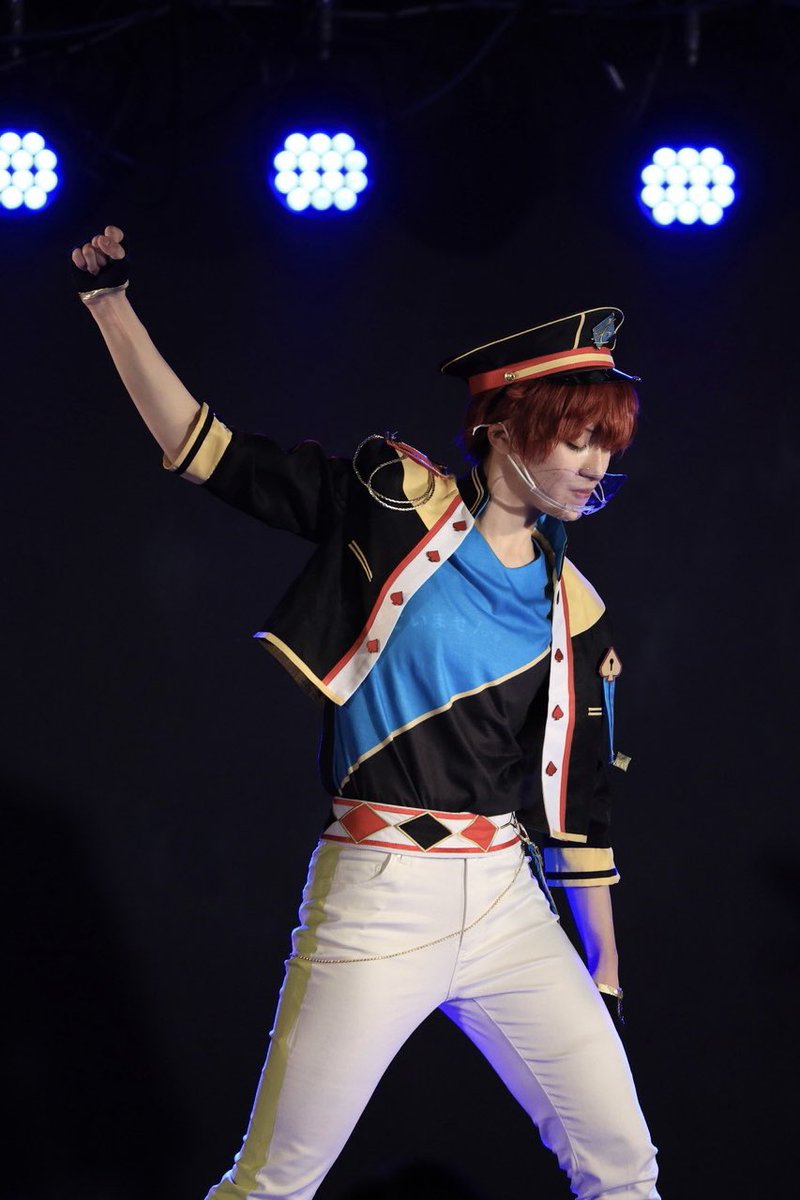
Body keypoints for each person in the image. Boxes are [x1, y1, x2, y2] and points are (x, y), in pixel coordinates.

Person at [71, 225, 661, 1200]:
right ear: (503, 424)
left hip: (508, 902)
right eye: (576, 436)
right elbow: (208, 452)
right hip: (380, 891)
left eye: (608, 443)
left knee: (625, 1169)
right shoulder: (394, 506)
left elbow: (581, 809)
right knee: (275, 1180)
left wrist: (602, 975)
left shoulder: (576, 606)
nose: (595, 463)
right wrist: (110, 304)